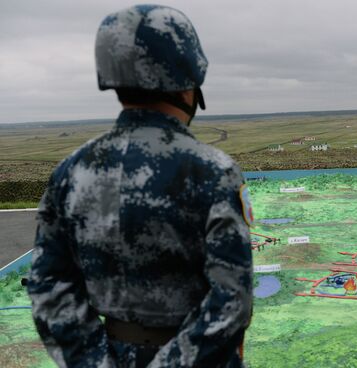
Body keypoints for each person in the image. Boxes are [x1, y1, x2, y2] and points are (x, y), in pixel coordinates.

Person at [27, 5, 253, 367]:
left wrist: (95, 362)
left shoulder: (71, 170)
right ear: (190, 73)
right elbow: (232, 299)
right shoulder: (212, 171)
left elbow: (48, 284)